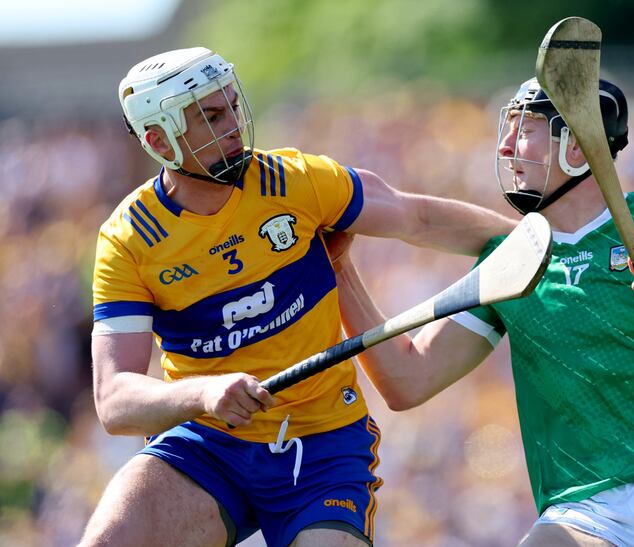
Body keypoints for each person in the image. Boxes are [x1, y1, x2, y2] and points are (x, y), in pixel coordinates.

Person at [330, 76, 634, 546]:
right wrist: (339, 270)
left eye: (525, 129)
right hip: (579, 507)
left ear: (575, 145)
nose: (507, 146)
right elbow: (409, 380)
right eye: (506, 129)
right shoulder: (509, 263)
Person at [82, 47, 516, 547]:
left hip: (323, 442)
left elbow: (414, 218)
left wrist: (531, 240)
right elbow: (114, 399)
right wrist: (203, 393)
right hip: (208, 444)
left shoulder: (293, 179)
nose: (234, 127)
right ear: (159, 140)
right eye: (211, 116)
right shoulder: (129, 239)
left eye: (232, 107)